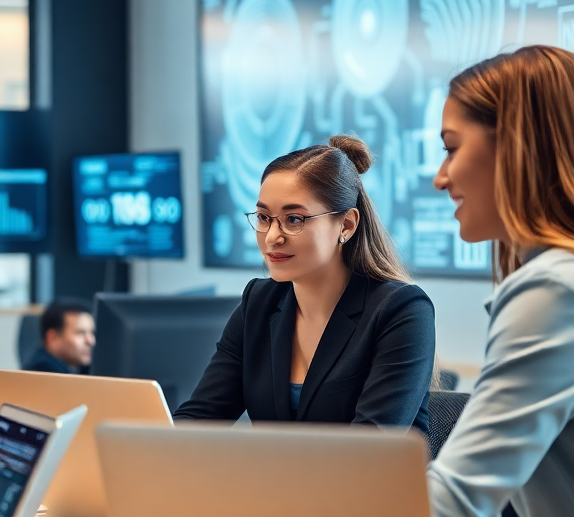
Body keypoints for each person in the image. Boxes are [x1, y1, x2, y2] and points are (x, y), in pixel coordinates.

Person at [175, 135, 434, 433]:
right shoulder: (258, 303)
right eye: (263, 217)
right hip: (275, 480)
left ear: (346, 225)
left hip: (370, 480)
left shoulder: (401, 311)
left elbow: (369, 451)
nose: (272, 237)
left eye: (294, 219)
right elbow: (200, 418)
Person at [428, 45, 574, 517]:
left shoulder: (554, 289)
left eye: (451, 148)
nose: (440, 177)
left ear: (514, 146)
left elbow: (457, 503)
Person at [24, 298, 96, 374]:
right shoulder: (43, 373)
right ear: (53, 337)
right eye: (80, 333)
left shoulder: (80, 369)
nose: (90, 341)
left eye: (92, 333)